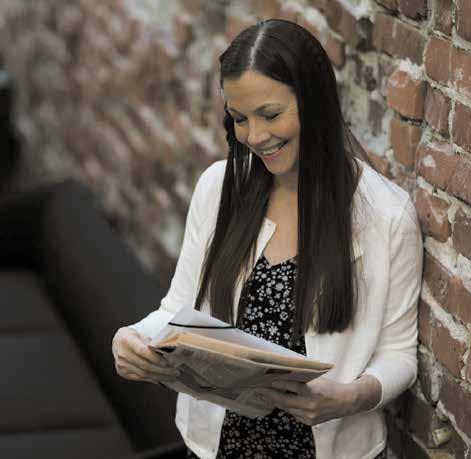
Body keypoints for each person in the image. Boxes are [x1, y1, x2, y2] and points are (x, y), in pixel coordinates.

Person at [112, 18, 423, 459]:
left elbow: (399, 354)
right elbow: (177, 311)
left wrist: (349, 398)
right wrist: (133, 339)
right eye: (240, 119)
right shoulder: (219, 187)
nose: (255, 137)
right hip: (218, 448)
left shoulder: (388, 215)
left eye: (271, 115)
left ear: (314, 103)